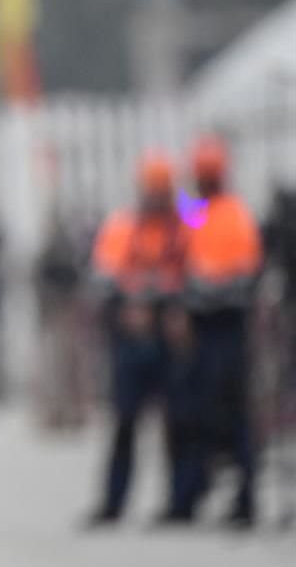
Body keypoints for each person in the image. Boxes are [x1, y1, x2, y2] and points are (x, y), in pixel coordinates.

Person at [85, 151, 190, 524]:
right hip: (131, 334)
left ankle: (182, 502)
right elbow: (104, 275)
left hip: (170, 332)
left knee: (179, 420)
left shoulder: (185, 219)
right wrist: (133, 300)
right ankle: (113, 502)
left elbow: (208, 235)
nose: (158, 198)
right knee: (125, 420)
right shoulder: (124, 224)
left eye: (165, 191)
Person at [176, 134, 263, 527]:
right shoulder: (204, 212)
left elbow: (243, 274)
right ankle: (193, 496)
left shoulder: (233, 214)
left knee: (234, 412)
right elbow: (183, 233)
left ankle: (245, 498)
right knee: (199, 412)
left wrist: (205, 288)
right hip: (204, 326)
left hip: (227, 326)